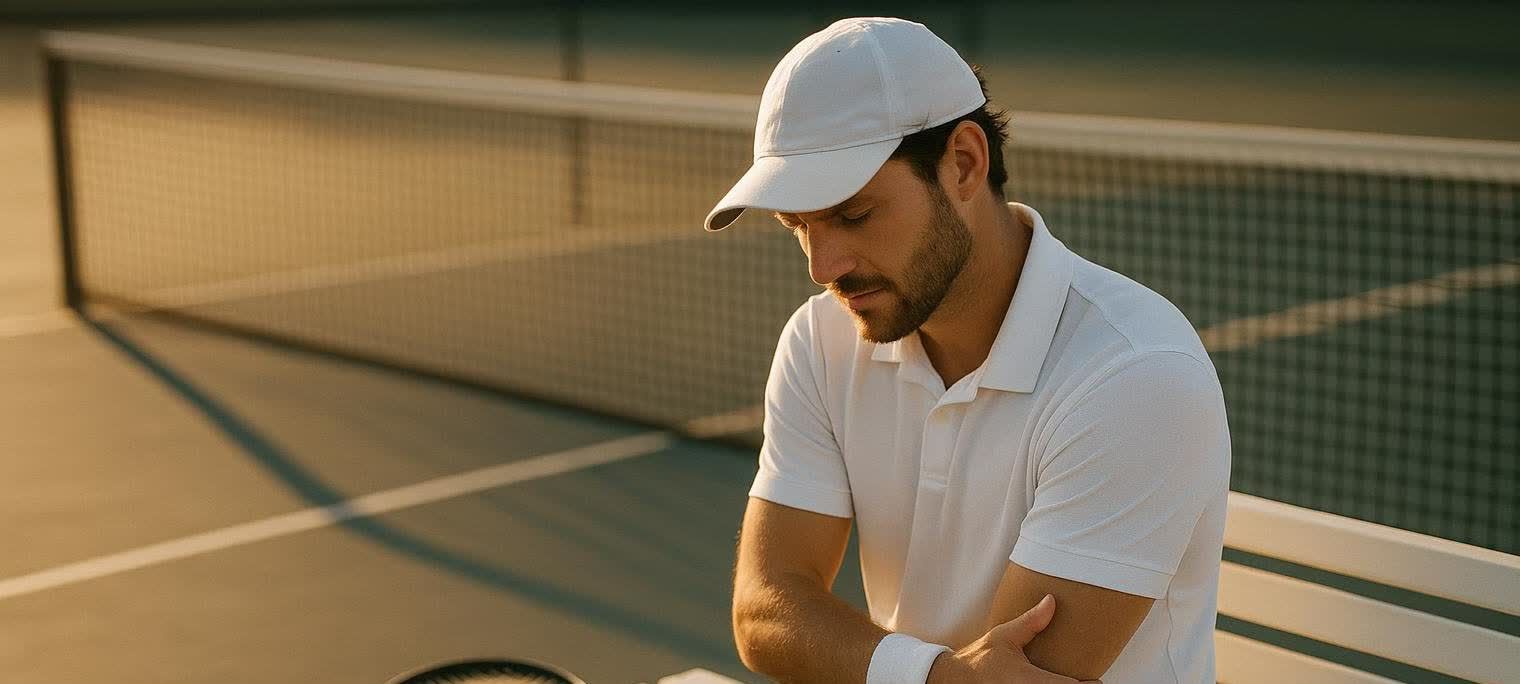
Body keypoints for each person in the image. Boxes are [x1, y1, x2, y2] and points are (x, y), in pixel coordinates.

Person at [711, 17, 1231, 684]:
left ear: (963, 163)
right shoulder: (821, 340)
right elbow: (765, 610)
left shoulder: (1136, 377)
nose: (823, 265)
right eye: (797, 226)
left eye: (853, 215)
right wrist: (935, 676)